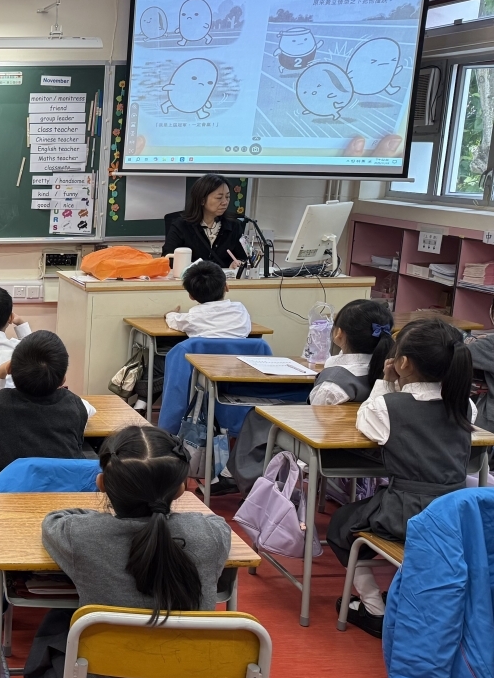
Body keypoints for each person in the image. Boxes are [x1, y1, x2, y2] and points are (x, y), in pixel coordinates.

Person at [27, 426, 231, 678]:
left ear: (101, 484)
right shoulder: (211, 535)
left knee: (60, 622)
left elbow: (54, 521)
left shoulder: (80, 535)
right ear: (181, 489)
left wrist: (101, 519)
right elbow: (214, 522)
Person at [329, 318, 476, 638]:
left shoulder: (386, 407)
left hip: (407, 511)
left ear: (403, 363)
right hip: (455, 512)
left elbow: (366, 420)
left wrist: (386, 382)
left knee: (341, 525)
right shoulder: (464, 404)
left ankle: (372, 607)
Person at [228, 299, 395, 493]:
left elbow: (314, 425)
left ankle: (249, 483)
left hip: (327, 447)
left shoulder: (332, 385)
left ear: (338, 334)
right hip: (372, 451)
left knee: (256, 417)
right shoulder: (390, 375)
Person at [0, 331, 97, 483]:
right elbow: (90, 409)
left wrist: (0, 373)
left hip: (5, 491)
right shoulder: (77, 406)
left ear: (12, 369)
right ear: (63, 379)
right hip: (63, 491)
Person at [161, 173, 247, 269]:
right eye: (219, 198)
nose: (225, 202)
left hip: (224, 278)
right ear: (202, 200)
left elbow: (243, 258)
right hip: (191, 277)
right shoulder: (181, 225)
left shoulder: (234, 226)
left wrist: (236, 263)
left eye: (227, 197)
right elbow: (167, 258)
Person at [163, 261, 251, 338]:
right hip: (238, 352)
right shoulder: (240, 311)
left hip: (201, 353)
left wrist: (169, 314)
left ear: (191, 296)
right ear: (226, 287)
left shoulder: (193, 317)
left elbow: (173, 321)